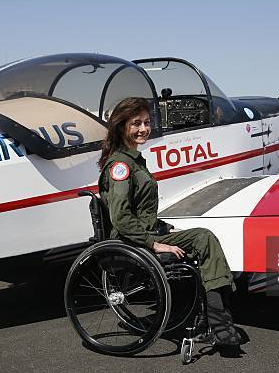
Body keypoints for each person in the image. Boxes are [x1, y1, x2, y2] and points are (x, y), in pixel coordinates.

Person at [97, 97, 242, 350]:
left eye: (146, 122)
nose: (143, 128)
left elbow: (139, 211)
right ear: (122, 127)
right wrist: (155, 244)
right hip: (131, 243)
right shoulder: (121, 166)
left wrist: (163, 228)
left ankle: (216, 322)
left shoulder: (134, 161)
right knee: (203, 238)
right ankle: (220, 325)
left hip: (143, 234)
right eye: (136, 123)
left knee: (203, 238)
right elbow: (120, 218)